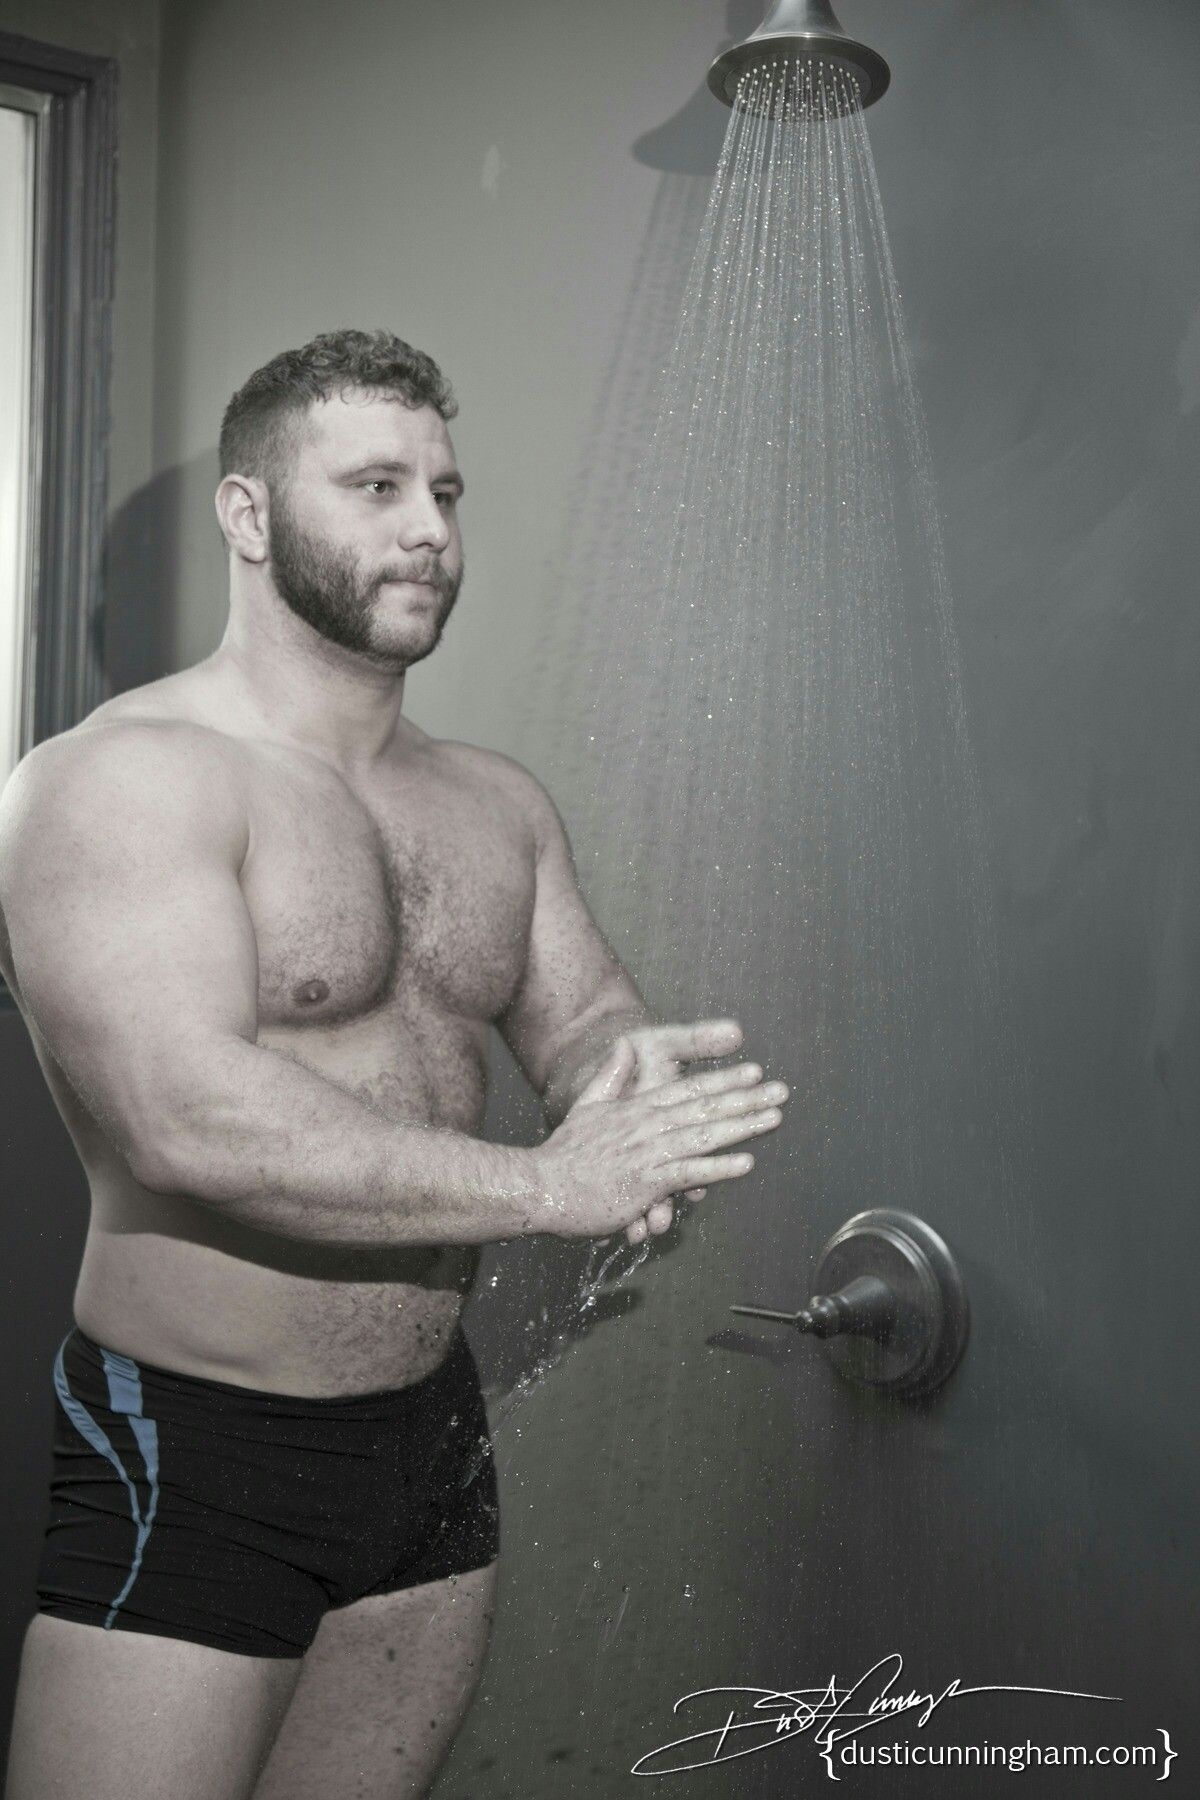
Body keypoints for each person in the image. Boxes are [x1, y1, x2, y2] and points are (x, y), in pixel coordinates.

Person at [0, 328, 789, 1800]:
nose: (430, 528)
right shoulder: (118, 781)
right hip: (204, 1446)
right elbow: (186, 1117)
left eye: (445, 489)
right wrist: (549, 1188)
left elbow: (579, 1017)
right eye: (376, 487)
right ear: (249, 516)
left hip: (429, 1442)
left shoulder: (496, 805)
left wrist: (631, 1088)